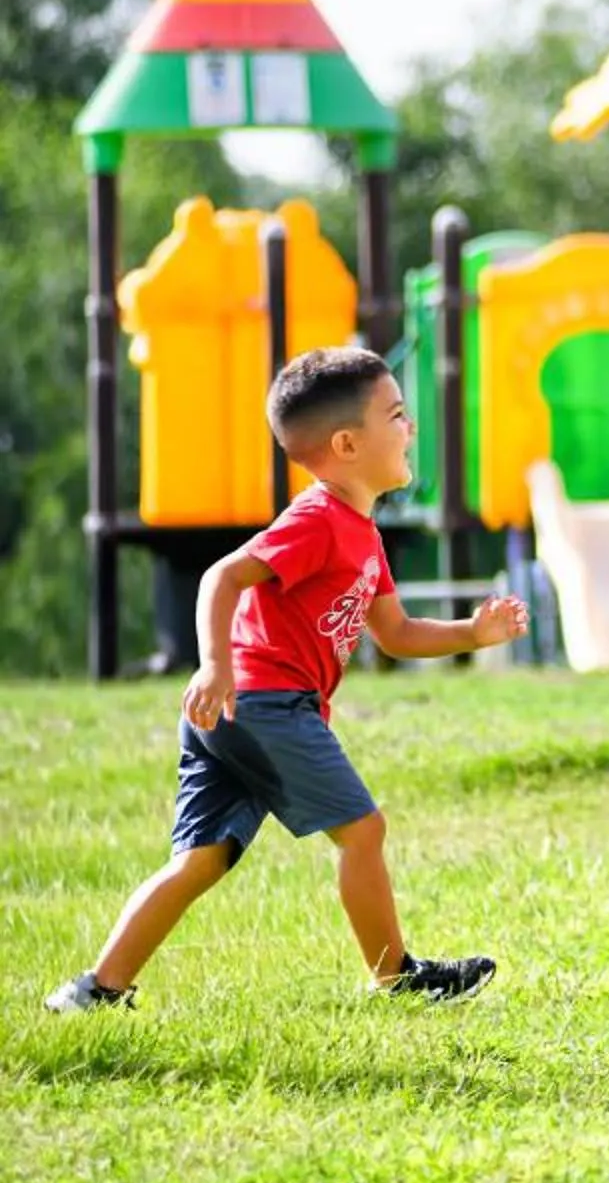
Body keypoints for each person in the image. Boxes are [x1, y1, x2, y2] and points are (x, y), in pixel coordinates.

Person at [45, 348, 530, 1012]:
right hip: (263, 703)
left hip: (244, 711)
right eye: (397, 415)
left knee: (202, 860)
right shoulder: (317, 520)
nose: (411, 427)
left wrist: (472, 633)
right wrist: (215, 663)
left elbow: (395, 632)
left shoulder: (362, 533)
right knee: (362, 831)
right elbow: (224, 576)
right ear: (347, 443)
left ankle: (94, 990)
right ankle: (396, 978)